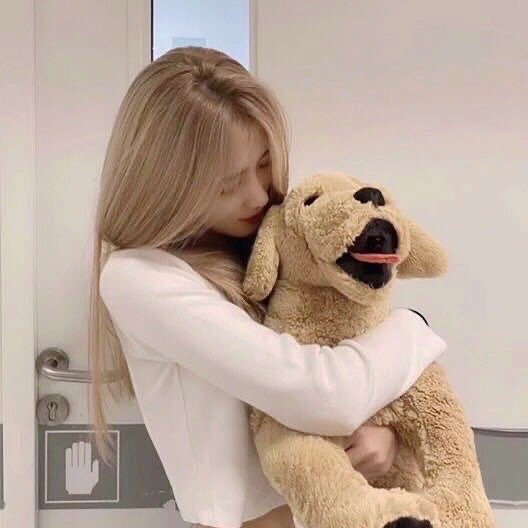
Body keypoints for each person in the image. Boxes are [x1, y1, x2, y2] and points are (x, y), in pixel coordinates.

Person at [89, 46, 446, 528]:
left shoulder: (271, 245)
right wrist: (414, 326)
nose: (258, 194)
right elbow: (323, 395)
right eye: (227, 183)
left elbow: (346, 383)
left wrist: (385, 435)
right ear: (167, 186)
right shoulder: (139, 278)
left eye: (263, 163)